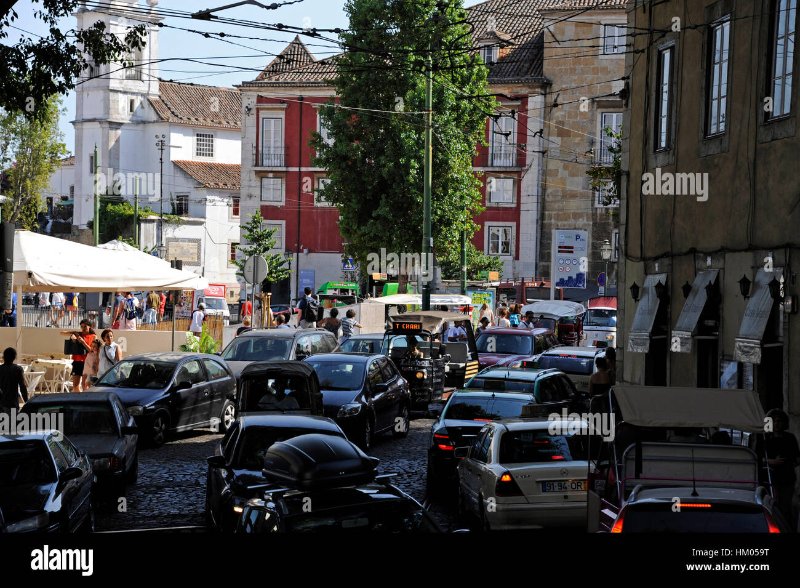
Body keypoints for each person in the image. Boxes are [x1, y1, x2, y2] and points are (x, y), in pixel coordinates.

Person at [757, 409, 800, 527]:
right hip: (769, 478)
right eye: (773, 421)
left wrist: (788, 462)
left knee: (785, 506)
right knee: (770, 505)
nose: (776, 424)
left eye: (779, 421)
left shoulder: (789, 438)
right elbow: (757, 457)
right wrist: (770, 461)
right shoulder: (764, 438)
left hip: (787, 478)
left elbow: (796, 458)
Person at [61, 319, 96, 392]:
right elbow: (62, 333)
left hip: (87, 362)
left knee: (85, 385)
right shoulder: (79, 334)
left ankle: (85, 400)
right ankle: (78, 399)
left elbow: (91, 351)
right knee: (75, 385)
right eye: (82, 327)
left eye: (85, 326)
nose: (83, 328)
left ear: (90, 327)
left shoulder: (93, 336)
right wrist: (73, 335)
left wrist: (83, 342)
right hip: (77, 362)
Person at [0, 347, 28, 415]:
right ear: (14, 357)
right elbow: (22, 387)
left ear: (3, 357)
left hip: (1, 404)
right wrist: (26, 401)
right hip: (13, 403)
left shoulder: (0, 369)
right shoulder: (18, 369)